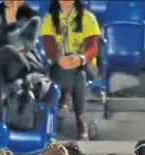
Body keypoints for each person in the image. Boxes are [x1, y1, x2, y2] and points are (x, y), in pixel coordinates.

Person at [41, 0, 101, 140]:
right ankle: (81, 120)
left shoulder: (88, 17)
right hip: (59, 66)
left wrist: (80, 59)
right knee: (79, 76)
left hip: (86, 65)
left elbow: (92, 49)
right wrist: (60, 60)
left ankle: (66, 97)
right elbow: (49, 48)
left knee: (79, 68)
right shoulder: (49, 19)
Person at [0, 0, 43, 120]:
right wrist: (3, 53)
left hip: (22, 65)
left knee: (9, 54)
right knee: (0, 67)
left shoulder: (32, 18)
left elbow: (22, 49)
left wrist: (11, 24)